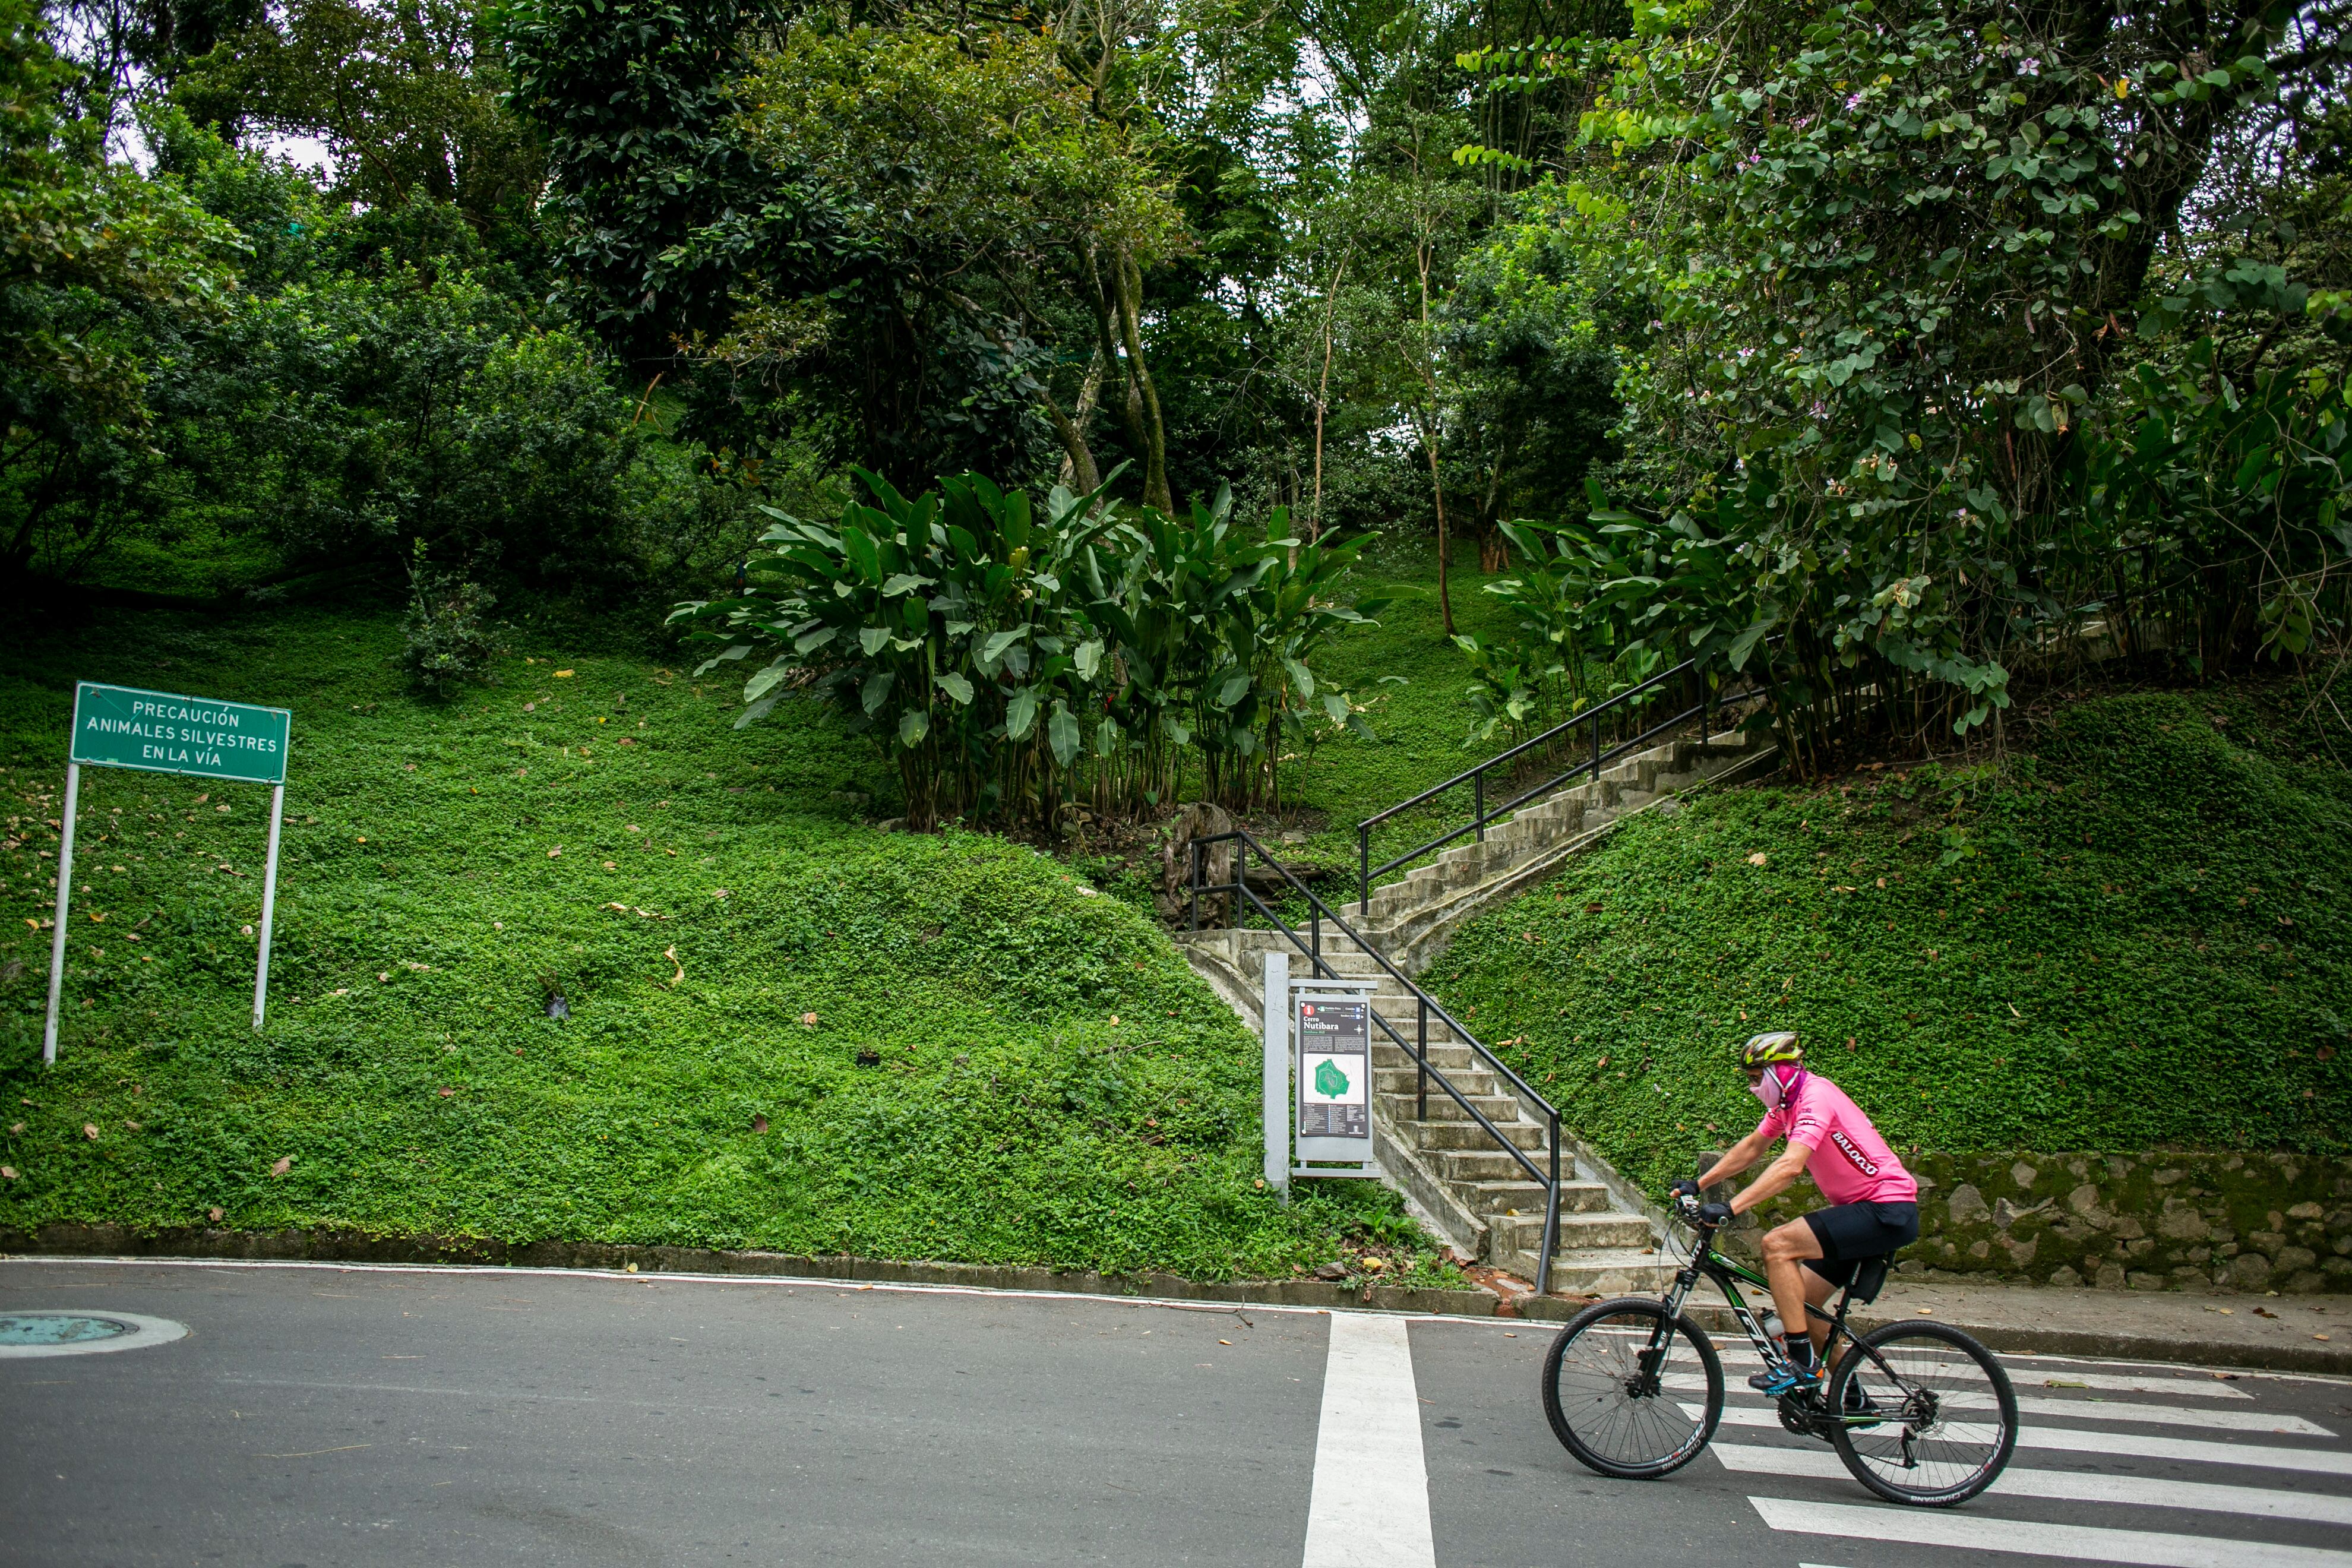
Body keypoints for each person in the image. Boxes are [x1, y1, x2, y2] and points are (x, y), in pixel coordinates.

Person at [1670, 1031, 1918, 1401]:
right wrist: (1698, 1183)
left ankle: (1801, 1365)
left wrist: (1732, 1207)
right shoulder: (1787, 1105)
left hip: (1886, 1208)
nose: (1754, 1088)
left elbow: (1790, 1166)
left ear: (1782, 1071)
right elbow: (1754, 1147)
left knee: (1778, 1245)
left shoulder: (1816, 1097)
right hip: (1858, 1210)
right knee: (1806, 1307)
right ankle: (1851, 1397)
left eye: (1758, 1079)